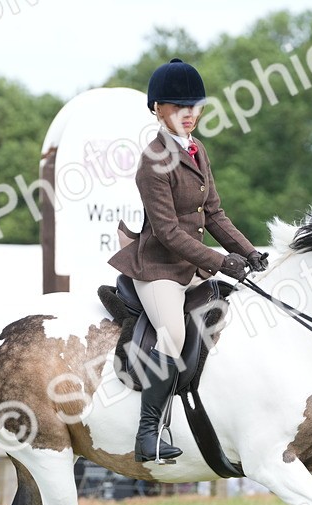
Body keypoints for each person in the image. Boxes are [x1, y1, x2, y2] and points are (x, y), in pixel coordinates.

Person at [108, 58, 268, 463]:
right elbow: (167, 232)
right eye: (181, 107)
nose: (190, 115)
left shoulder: (198, 152)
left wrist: (248, 251)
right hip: (159, 269)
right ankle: (148, 435)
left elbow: (214, 213)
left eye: (195, 106)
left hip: (192, 268)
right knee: (174, 337)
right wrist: (219, 260)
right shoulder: (152, 160)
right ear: (158, 109)